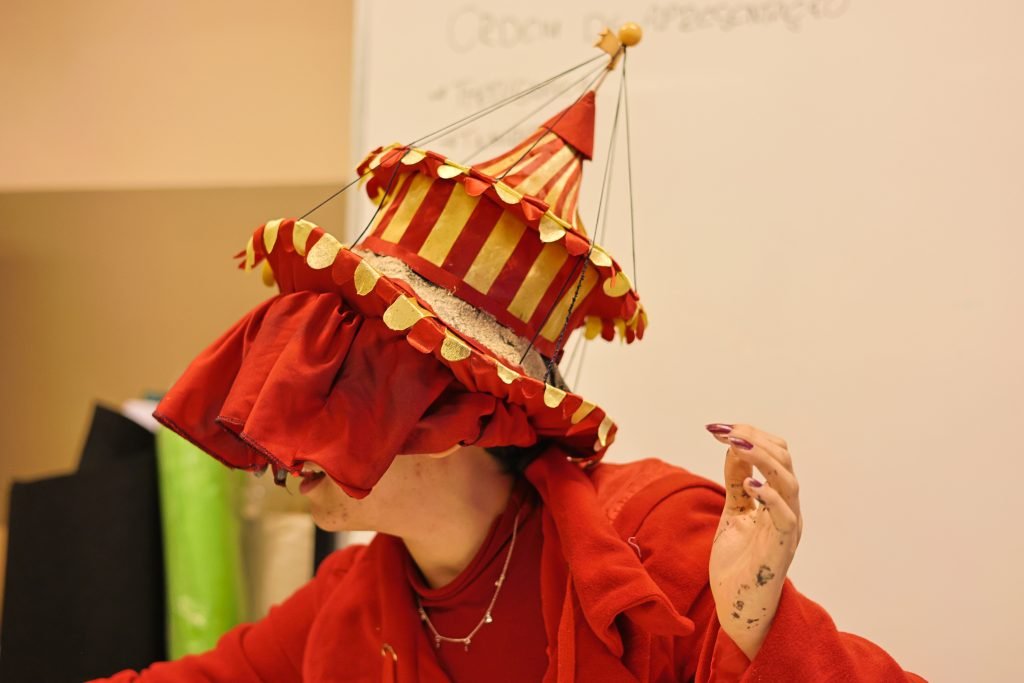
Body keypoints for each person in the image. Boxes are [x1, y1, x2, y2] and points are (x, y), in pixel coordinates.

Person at [94, 85, 927, 682]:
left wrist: (751, 627)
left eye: (340, 385)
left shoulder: (649, 540)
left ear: (460, 411)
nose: (283, 428)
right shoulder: (349, 603)